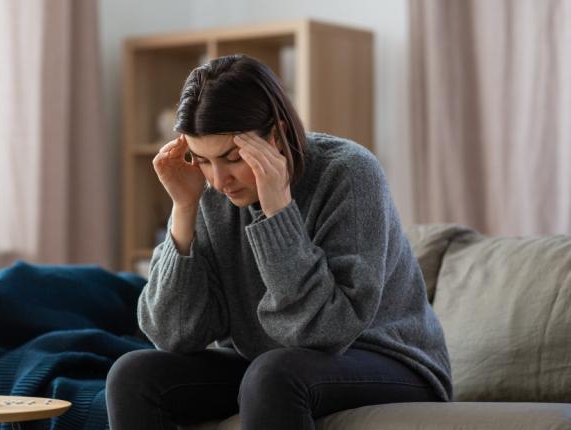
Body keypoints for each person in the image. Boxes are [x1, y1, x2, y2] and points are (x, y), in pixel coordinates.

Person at [106, 54, 451, 430]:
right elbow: (172, 335)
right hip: (270, 364)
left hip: (387, 360)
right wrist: (184, 208)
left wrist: (277, 211)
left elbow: (326, 332)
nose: (219, 180)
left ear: (275, 136)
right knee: (133, 374)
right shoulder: (208, 190)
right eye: (202, 160)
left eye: (232, 157)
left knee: (273, 374)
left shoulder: (349, 172)